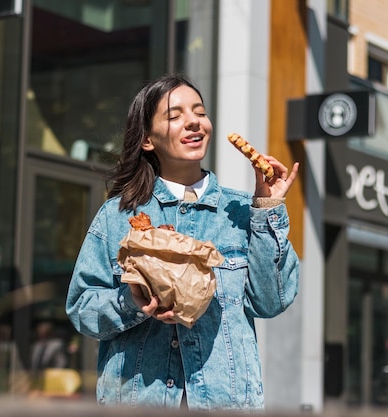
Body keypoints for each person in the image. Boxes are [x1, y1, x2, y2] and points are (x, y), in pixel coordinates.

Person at [65, 73, 300, 411]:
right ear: (147, 139)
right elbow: (82, 307)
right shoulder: (118, 216)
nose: (194, 122)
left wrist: (268, 208)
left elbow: (271, 301)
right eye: (175, 116)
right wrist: (130, 301)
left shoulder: (240, 211)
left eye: (200, 112)